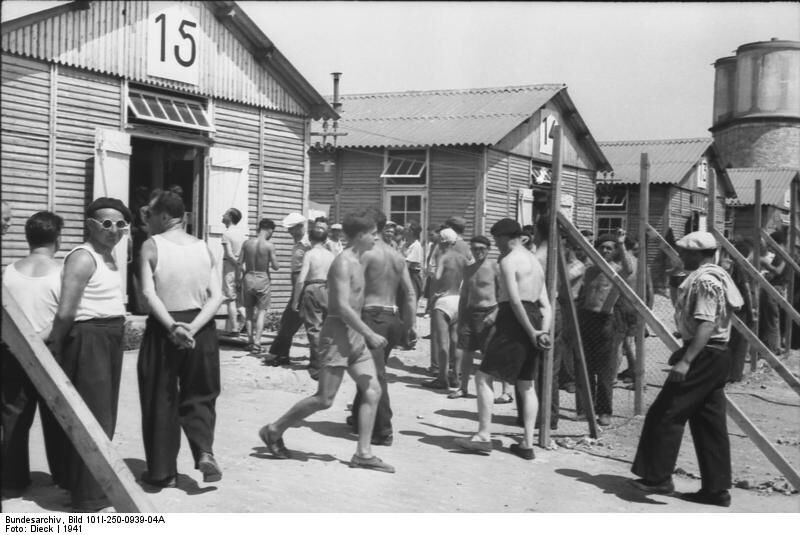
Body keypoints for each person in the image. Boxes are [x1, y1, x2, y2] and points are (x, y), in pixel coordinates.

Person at [259, 208, 395, 473]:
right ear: (360, 236)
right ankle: (274, 430)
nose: (376, 240)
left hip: (355, 336)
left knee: (373, 390)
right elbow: (342, 307)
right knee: (324, 399)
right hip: (337, 336)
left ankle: (363, 453)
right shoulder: (343, 262)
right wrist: (370, 333)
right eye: (373, 235)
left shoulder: (361, 260)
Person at [630, 231, 743, 508]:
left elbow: (706, 324)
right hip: (715, 354)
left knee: (665, 413)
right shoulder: (717, 275)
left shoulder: (705, 280)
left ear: (697, 254)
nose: (680, 256)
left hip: (704, 354)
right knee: (708, 422)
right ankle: (716, 490)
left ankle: (658, 478)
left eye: (684, 252)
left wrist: (686, 360)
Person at [46, 197, 131, 512]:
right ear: (90, 224)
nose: (114, 230)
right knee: (93, 416)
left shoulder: (108, 257)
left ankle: (91, 487)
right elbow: (67, 310)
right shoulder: (83, 257)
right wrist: (55, 343)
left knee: (105, 416)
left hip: (110, 336)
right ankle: (87, 497)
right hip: (88, 338)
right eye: (106, 223)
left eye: (121, 225)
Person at [136, 190, 224, 487]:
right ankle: (204, 451)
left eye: (150, 215)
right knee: (201, 394)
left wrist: (175, 326)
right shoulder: (204, 248)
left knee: (160, 396)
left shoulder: (151, 246)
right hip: (202, 328)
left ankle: (163, 472)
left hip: (165, 328)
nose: (148, 222)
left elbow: (149, 294)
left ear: (162, 216)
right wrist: (194, 327)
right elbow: (217, 297)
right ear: (183, 216)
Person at [454, 218, 552, 459]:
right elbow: (546, 304)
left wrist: (530, 332)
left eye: (497, 240)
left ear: (504, 238)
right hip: (537, 319)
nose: (496, 245)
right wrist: (542, 332)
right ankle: (527, 443)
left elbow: (515, 300)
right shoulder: (536, 263)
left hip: (515, 319)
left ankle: (483, 436)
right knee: (526, 383)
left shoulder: (508, 261)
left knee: (483, 376)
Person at [1, 210, 63, 496]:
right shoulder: (62, 271)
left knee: (14, 414)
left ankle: (13, 478)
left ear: (27, 238)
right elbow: (65, 315)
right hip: (50, 349)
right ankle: (63, 475)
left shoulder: (9, 271)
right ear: (57, 239)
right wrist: (40, 338)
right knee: (58, 416)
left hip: (13, 349)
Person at [349, 210, 415, 445]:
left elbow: (355, 289)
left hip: (371, 315)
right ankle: (358, 418)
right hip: (392, 317)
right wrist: (410, 326)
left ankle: (383, 429)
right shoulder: (397, 256)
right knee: (368, 368)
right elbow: (409, 292)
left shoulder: (366, 253)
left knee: (376, 375)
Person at [575, 231, 632, 427]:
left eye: (610, 248)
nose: (605, 250)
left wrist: (622, 244)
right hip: (587, 318)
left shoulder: (616, 270)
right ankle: (587, 408)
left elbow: (629, 268)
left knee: (605, 370)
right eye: (602, 247)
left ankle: (605, 411)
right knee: (586, 366)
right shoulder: (590, 270)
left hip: (607, 320)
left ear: (615, 251)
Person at [452, 235, 498, 399]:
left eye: (481, 248)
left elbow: (503, 294)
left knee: (489, 353)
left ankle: (492, 389)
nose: (478, 252)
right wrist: (460, 318)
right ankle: (463, 387)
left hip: (488, 313)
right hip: (470, 313)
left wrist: (495, 313)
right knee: (467, 352)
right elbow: (464, 295)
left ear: (488, 249)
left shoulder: (495, 267)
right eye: (474, 248)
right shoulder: (468, 269)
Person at [423, 228, 468, 391]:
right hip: (458, 299)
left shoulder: (441, 256)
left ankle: (442, 377)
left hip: (443, 300)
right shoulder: (462, 258)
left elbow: (436, 276)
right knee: (456, 341)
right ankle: (455, 375)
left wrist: (433, 289)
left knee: (442, 341)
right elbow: (469, 275)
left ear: (442, 242)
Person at [264, 213, 310, 367]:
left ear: (300, 227)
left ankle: (278, 354)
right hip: (297, 284)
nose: (289, 232)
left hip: (304, 285)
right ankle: (280, 354)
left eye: (291, 229)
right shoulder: (297, 243)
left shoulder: (308, 243)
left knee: (289, 321)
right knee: (289, 322)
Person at [293, 226, 335, 379]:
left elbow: (301, 278)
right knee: (327, 328)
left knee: (314, 328)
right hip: (328, 289)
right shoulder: (331, 255)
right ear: (325, 240)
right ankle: (328, 362)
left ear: (310, 239)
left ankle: (318, 366)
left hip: (312, 287)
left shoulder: (309, 254)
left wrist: (295, 299)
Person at [615, 237, 654, 384]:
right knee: (634, 342)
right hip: (639, 305)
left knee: (623, 342)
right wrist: (649, 309)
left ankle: (635, 373)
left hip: (623, 304)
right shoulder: (643, 265)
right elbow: (650, 289)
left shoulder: (620, 264)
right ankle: (633, 369)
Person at [239, 218, 280, 354]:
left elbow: (240, 262)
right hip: (262, 278)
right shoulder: (269, 245)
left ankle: (250, 341)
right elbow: (275, 267)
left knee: (249, 312)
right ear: (269, 230)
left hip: (248, 277)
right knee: (262, 312)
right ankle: (257, 342)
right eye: (272, 232)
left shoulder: (247, 243)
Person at [759, 230, 788, 353]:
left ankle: (772, 349)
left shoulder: (780, 255)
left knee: (770, 320)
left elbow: (777, 271)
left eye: (771, 243)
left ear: (777, 242)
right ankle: (775, 346)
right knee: (773, 319)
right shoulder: (785, 254)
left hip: (773, 289)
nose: (770, 246)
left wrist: (765, 264)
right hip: (780, 288)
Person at [221, 208, 247, 335]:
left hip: (230, 267)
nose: (223, 215)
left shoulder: (227, 234)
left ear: (230, 217)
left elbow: (229, 254)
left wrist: (237, 266)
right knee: (238, 299)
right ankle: (248, 321)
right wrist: (241, 267)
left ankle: (235, 328)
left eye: (225, 214)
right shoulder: (242, 233)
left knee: (230, 299)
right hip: (241, 267)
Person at [403, 221, 424, 348]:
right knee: (403, 307)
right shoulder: (406, 244)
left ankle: (411, 338)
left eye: (406, 228)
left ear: (411, 231)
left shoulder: (416, 246)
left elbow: (405, 265)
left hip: (411, 276)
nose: (404, 230)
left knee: (410, 309)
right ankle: (404, 337)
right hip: (404, 275)